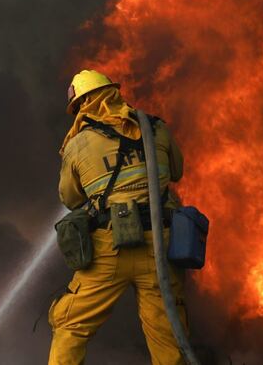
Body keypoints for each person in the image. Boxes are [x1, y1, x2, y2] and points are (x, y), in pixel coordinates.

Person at [48, 69, 187, 365]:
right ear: (113, 92)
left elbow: (71, 199)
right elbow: (176, 171)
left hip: (109, 249)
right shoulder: (156, 128)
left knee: (71, 325)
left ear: (82, 105)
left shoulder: (77, 144)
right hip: (160, 249)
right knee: (168, 337)